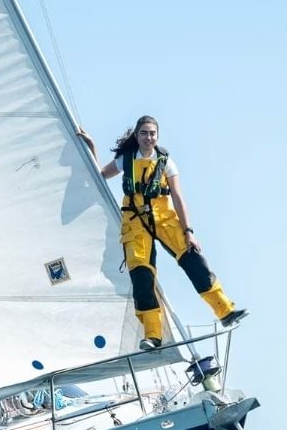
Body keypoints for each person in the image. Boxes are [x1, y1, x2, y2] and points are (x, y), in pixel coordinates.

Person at [77, 115, 247, 350]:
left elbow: (178, 197)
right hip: (136, 222)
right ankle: (153, 335)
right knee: (142, 275)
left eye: (152, 133)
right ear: (136, 136)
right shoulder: (125, 160)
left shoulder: (166, 162)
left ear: (157, 136)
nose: (149, 137)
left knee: (194, 259)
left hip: (165, 219)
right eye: (144, 133)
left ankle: (224, 310)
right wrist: (91, 147)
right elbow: (99, 175)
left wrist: (188, 231)